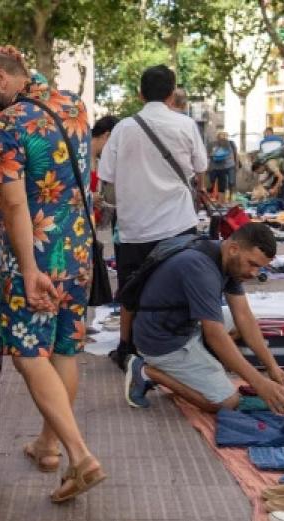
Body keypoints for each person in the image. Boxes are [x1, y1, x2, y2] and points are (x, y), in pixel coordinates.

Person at [0, 46, 105, 503]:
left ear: (2, 79)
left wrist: (28, 270)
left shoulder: (11, 123)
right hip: (78, 251)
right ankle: (48, 445)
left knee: (28, 352)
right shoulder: (74, 106)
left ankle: (80, 455)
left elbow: (14, 203)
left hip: (37, 255)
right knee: (63, 347)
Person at [98, 64, 208, 370]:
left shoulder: (123, 128)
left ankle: (127, 348)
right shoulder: (186, 125)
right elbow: (201, 167)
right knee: (180, 285)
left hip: (134, 226)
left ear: (140, 93)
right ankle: (178, 348)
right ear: (173, 94)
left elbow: (105, 174)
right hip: (179, 224)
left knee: (131, 289)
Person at [124, 223, 284, 415]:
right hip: (162, 341)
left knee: (244, 323)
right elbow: (214, 334)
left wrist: (273, 368)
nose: (254, 273)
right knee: (226, 402)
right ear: (233, 249)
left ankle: (201, 363)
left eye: (260, 268)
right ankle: (146, 372)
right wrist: (259, 383)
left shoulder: (227, 258)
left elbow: (244, 316)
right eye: (253, 264)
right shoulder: (200, 268)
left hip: (183, 323)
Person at [208, 131, 238, 202]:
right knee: (221, 183)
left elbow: (236, 154)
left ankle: (231, 198)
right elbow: (209, 154)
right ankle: (220, 199)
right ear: (218, 137)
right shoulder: (214, 144)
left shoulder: (231, 143)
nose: (224, 136)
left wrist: (236, 164)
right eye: (222, 135)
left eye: (225, 135)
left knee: (231, 182)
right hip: (221, 166)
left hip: (230, 165)